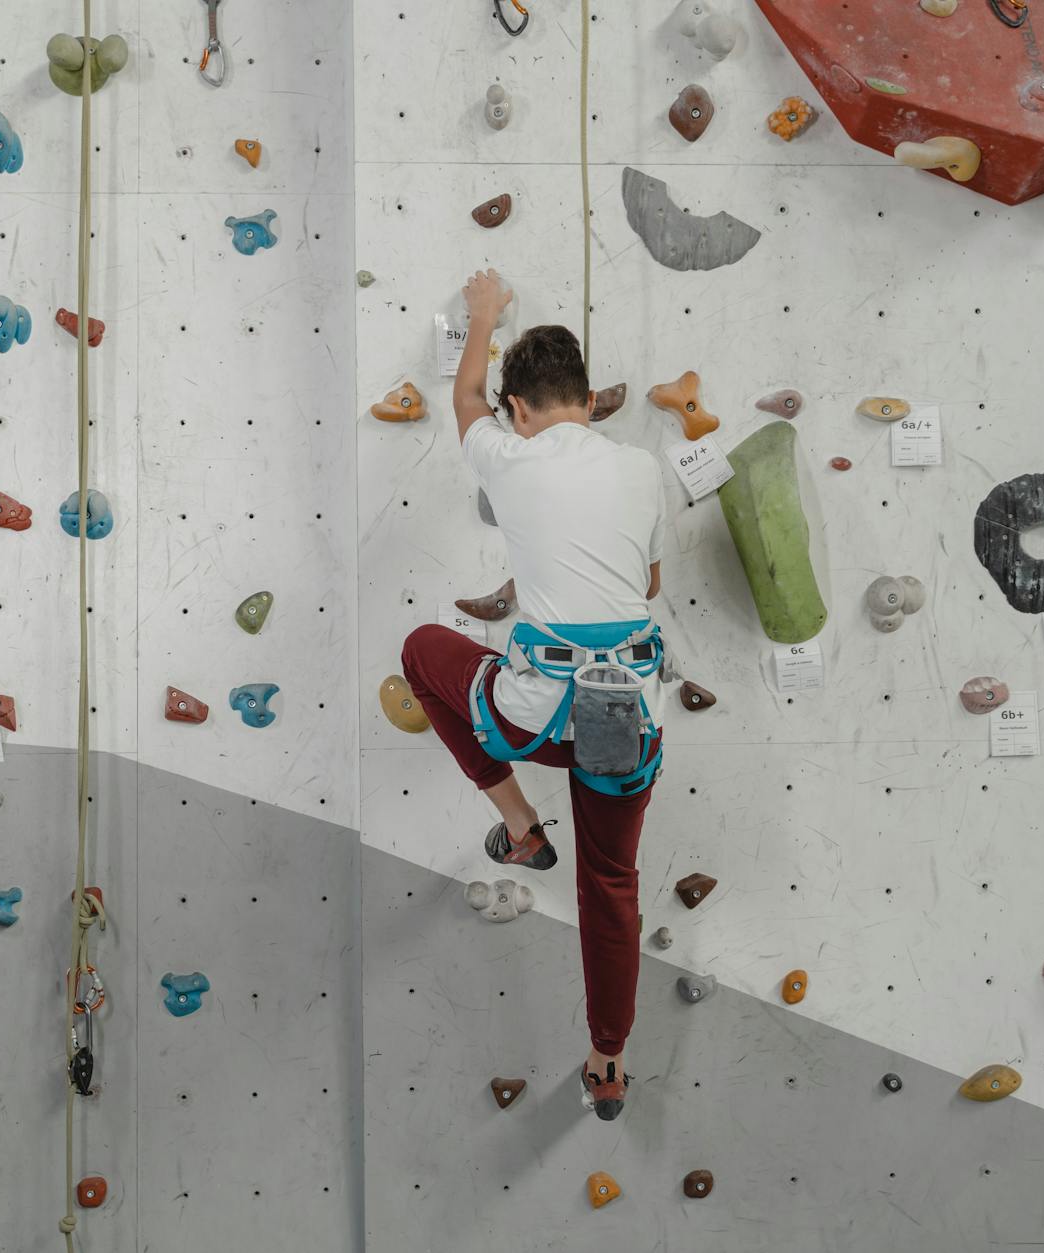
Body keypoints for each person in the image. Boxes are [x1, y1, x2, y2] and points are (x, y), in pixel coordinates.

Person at [400, 269, 667, 1122]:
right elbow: (649, 575)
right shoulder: (644, 470)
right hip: (623, 725)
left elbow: (464, 394)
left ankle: (520, 826)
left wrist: (483, 313)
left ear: (520, 411)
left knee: (422, 651)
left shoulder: (507, 454)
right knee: (611, 883)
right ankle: (609, 1061)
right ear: (590, 400)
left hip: (534, 715)